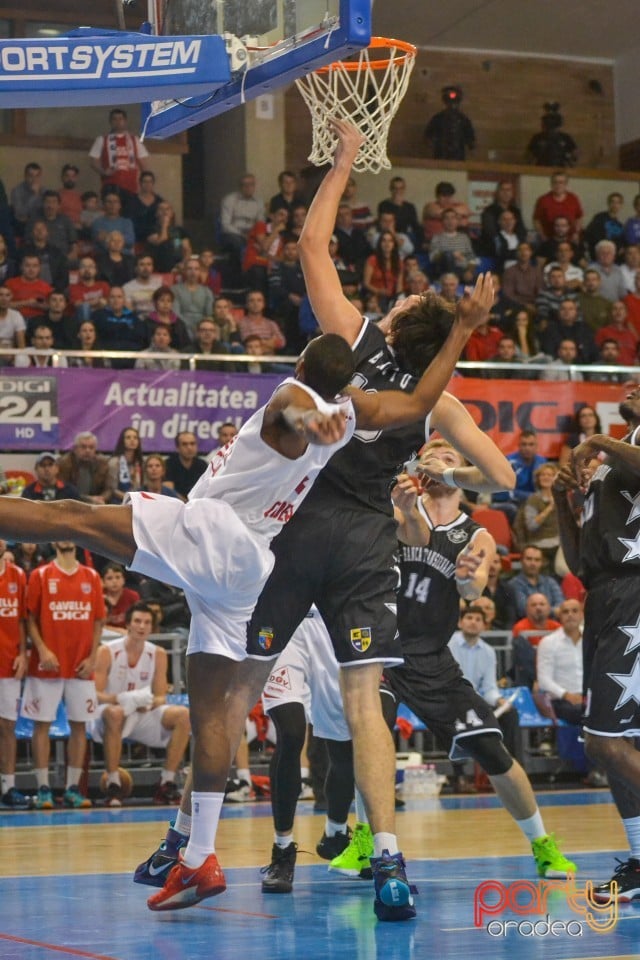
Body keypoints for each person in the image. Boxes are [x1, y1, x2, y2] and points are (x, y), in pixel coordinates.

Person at [0, 264, 484, 911]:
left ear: (305, 363)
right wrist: (464, 333)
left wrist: (308, 416)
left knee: (74, 517)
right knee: (213, 708)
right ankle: (199, 855)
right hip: (247, 568)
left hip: (217, 536)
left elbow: (290, 404)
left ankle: (196, 849)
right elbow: (419, 404)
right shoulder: (353, 408)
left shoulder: (300, 398)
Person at [333, 442, 574, 881]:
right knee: (373, 736)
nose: (439, 456)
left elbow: (473, 590)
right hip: (383, 650)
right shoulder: (400, 503)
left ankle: (543, 845)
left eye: (449, 453)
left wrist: (467, 581)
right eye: (432, 451)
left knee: (492, 752)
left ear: (463, 470)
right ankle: (366, 839)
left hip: (431, 658)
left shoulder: (477, 533)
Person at [551, 390, 640, 899]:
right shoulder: (610, 461)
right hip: (604, 598)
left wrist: (597, 440)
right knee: (611, 741)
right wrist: (563, 503)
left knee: (605, 741)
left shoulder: (617, 451)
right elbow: (579, 560)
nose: (627, 391)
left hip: (633, 596)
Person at [21, 541, 105, 809]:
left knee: (80, 727)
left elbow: (99, 620)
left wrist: (93, 657)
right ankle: (43, 787)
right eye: (61, 535)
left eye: (71, 535)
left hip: (80, 667)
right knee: (41, 725)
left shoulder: (91, 576)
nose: (66, 539)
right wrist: (42, 649)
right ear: (54, 541)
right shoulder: (41, 575)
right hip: (47, 665)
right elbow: (29, 617)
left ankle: (72, 788)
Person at [89, 602, 190, 806]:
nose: (142, 626)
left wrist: (149, 702)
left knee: (183, 715)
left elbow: (161, 696)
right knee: (115, 713)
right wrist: (121, 698)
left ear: (152, 627)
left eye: (146, 622)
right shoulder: (107, 651)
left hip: (140, 713)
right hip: (108, 713)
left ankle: (167, 781)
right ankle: (113, 783)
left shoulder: (158, 653)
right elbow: (95, 693)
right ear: (128, 624)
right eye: (137, 621)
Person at [0, 538, 29, 809]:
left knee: (8, 727)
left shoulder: (17, 576)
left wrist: (22, 653)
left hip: (8, 662)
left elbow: (22, 619)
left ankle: (9, 787)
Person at [88, 108, 149, 202]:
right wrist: (104, 172)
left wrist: (144, 185)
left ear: (125, 121)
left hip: (131, 187)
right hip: (110, 186)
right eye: (114, 119)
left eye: (120, 119)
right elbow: (93, 161)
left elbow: (144, 164)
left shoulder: (135, 140)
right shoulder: (102, 139)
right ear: (110, 122)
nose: (117, 122)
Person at [57, 432, 113, 505]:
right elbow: (63, 490)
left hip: (97, 504)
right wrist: (88, 499)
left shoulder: (103, 463)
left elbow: (109, 489)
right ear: (75, 448)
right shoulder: (64, 463)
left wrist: (101, 498)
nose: (87, 450)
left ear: (95, 449)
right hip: (71, 503)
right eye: (83, 447)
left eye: (91, 447)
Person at [424, 85, 475, 161]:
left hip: (457, 159)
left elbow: (471, 141)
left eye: (454, 104)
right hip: (441, 157)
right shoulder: (438, 119)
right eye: (449, 103)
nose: (451, 106)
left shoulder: (463, 120)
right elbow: (427, 138)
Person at [163, 432, 207, 502]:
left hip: (197, 503)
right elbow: (168, 489)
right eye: (184, 444)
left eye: (192, 444)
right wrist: (186, 503)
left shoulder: (202, 465)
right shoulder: (168, 464)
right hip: (175, 503)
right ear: (177, 448)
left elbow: (206, 488)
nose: (189, 447)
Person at [107, 427, 144, 504]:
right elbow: (112, 489)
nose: (132, 440)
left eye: (135, 437)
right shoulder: (114, 462)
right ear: (122, 441)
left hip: (138, 502)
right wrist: (130, 499)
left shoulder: (140, 463)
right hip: (118, 502)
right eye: (128, 437)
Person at [101, 562, 140, 634]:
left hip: (128, 634)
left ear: (124, 580)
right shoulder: (98, 596)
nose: (114, 581)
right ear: (103, 582)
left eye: (118, 577)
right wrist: (117, 630)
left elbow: (138, 620)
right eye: (109, 578)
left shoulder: (133, 596)